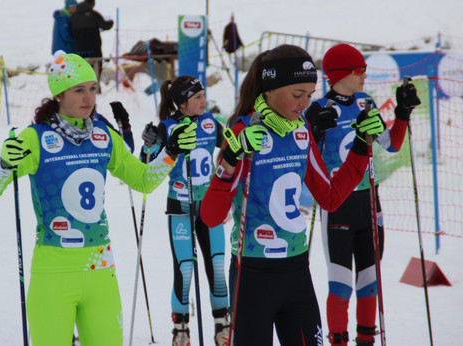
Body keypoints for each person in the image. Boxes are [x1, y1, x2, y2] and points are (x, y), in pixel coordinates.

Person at [0, 53, 197, 345]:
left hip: (99, 267)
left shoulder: (103, 135)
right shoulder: (35, 138)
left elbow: (143, 180)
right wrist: (2, 166)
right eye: (79, 90)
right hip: (53, 269)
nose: (89, 97)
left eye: (93, 88)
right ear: (59, 94)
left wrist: (171, 152)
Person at [200, 44, 385, 345]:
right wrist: (232, 157)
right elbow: (211, 217)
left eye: (310, 95)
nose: (304, 103)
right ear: (270, 90)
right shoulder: (244, 128)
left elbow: (330, 197)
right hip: (252, 273)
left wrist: (362, 147)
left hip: (297, 270)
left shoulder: (301, 130)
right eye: (297, 95)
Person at [306, 44, 421, 345]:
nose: (364, 76)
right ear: (340, 74)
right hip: (337, 203)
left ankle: (367, 341)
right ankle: (339, 340)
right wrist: (315, 135)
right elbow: (303, 157)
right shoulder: (317, 109)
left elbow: (391, 144)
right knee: (341, 285)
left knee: (369, 282)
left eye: (365, 70)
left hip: (369, 201)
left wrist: (403, 113)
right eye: (359, 71)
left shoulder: (364, 102)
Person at [140, 76, 230, 346]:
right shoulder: (167, 127)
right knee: (185, 267)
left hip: (209, 205)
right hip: (180, 205)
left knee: (216, 265)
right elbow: (145, 165)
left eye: (204, 95)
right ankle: (181, 329)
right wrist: (148, 144)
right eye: (198, 97)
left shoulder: (210, 122)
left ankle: (222, 325)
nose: (204, 101)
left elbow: (232, 147)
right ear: (181, 104)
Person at [70, 0, 114, 92]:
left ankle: (83, 89)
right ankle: (96, 88)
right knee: (97, 67)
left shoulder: (74, 17)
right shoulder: (93, 14)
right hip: (94, 48)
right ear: (92, 4)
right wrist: (111, 22)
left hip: (80, 49)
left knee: (83, 71)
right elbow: (105, 25)